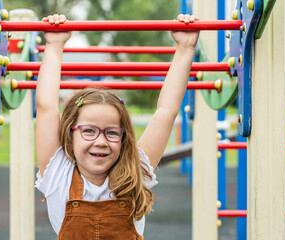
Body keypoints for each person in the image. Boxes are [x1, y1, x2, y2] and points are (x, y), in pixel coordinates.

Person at [35, 14, 200, 239]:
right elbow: (46, 107)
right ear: (69, 135)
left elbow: (166, 113)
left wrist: (185, 48)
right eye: (89, 131)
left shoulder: (133, 172)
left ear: (123, 139)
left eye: (112, 132)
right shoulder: (58, 174)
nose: (100, 141)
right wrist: (54, 46)